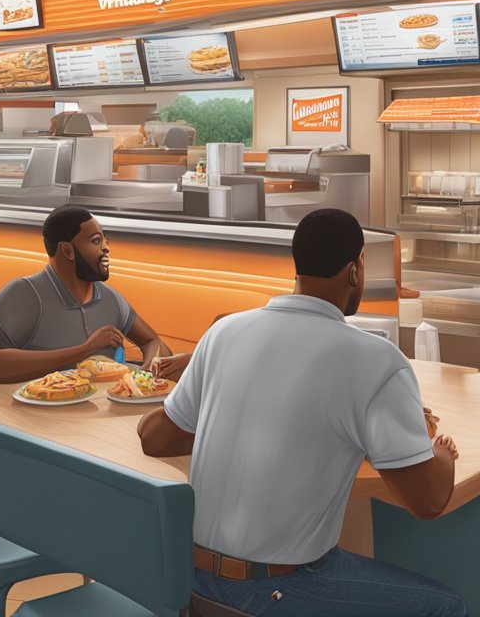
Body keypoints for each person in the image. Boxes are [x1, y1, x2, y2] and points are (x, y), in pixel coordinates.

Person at [138, 209, 466, 617]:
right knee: (448, 606)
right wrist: (443, 453)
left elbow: (155, 438)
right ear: (354, 269)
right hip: (274, 589)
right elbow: (430, 501)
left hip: (190, 579)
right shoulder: (377, 360)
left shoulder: (224, 333)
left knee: (334, 557)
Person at [0, 206, 174, 383]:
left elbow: (152, 342)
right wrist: (84, 349)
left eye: (105, 240)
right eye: (95, 241)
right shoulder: (24, 295)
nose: (105, 248)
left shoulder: (111, 299)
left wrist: (146, 373)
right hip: (34, 418)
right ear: (67, 250)